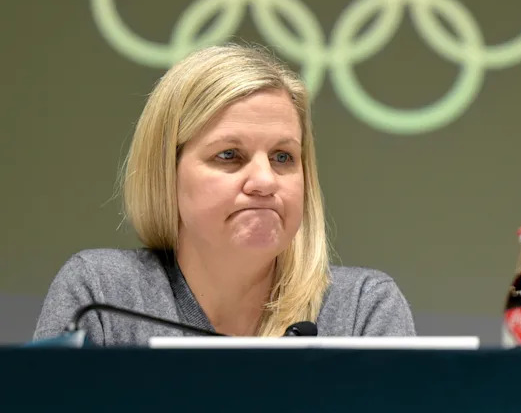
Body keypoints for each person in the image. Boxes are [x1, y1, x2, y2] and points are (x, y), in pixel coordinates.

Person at [33, 44, 415, 344]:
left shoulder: (361, 310)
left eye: (283, 157)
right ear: (166, 172)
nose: (264, 180)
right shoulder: (102, 295)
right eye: (229, 155)